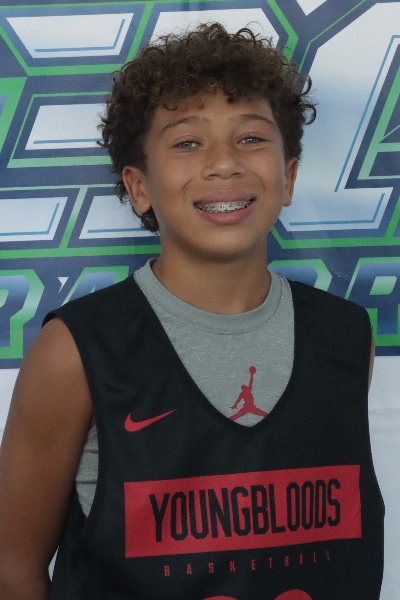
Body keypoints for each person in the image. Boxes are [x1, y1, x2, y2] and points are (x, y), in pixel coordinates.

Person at [0, 23, 383, 600]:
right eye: (186, 143)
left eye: (251, 138)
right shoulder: (75, 352)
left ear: (289, 178)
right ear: (139, 188)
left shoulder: (347, 337)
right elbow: (12, 569)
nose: (224, 163)